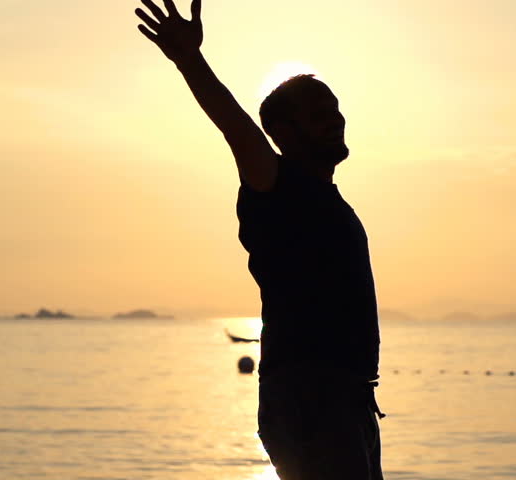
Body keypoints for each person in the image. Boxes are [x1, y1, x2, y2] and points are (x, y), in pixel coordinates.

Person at [135, 1, 384, 478]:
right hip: (311, 397)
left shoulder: (329, 200)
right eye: (319, 113)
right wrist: (189, 59)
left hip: (347, 399)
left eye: (335, 108)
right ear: (283, 132)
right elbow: (233, 127)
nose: (336, 119)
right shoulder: (275, 184)